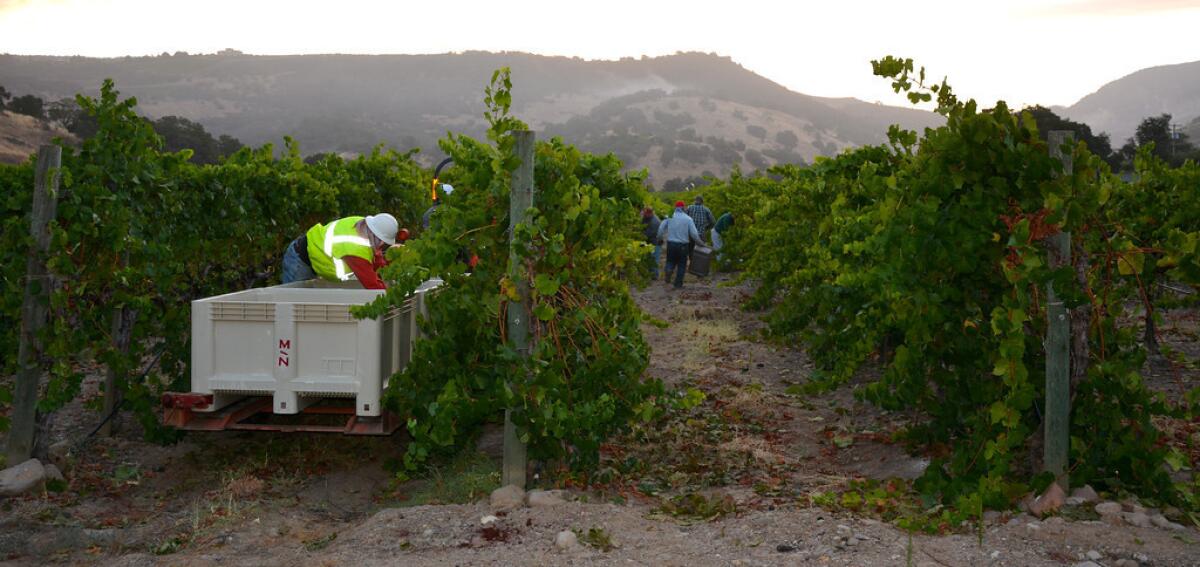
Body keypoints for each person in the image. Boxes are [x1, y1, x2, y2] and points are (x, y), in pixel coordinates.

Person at [282, 213, 402, 289]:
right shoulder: (355, 250)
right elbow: (372, 285)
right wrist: (395, 294)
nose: (381, 246)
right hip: (300, 262)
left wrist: (386, 263)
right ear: (378, 238)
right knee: (291, 309)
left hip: (308, 258)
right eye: (383, 243)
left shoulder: (362, 224)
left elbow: (375, 259)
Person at [657, 200, 701, 289]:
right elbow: (694, 234)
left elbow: (661, 229)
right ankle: (678, 284)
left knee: (670, 261)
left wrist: (660, 238)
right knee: (682, 264)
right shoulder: (688, 219)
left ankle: (669, 270)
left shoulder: (669, 217)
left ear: (675, 208)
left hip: (671, 244)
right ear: (683, 208)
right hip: (683, 245)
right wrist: (700, 243)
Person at [641, 207, 661, 280]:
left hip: (655, 242)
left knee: (654, 259)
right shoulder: (646, 218)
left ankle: (655, 276)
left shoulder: (655, 222)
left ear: (650, 213)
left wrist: (640, 238)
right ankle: (650, 274)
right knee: (649, 259)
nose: (644, 215)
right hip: (649, 242)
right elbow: (642, 226)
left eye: (645, 214)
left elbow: (648, 234)